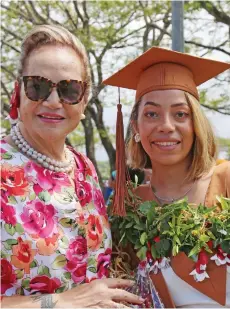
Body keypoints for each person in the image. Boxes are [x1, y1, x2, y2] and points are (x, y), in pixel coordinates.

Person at [0, 25, 145, 308]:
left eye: (69, 89)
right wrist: (59, 301)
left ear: (85, 98)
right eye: (38, 87)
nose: (53, 101)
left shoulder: (84, 168)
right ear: (19, 91)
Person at [103, 46, 230, 307]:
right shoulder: (129, 205)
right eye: (151, 114)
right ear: (136, 127)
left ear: (195, 124)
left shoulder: (225, 180)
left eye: (180, 114)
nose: (166, 125)